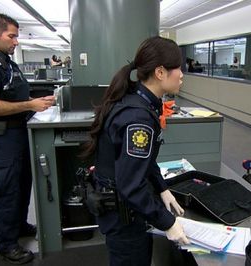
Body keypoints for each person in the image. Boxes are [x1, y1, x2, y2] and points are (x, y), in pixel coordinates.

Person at [81, 36, 189, 266]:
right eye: (178, 68)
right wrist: (167, 222)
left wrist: (162, 188)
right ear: (160, 72)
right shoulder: (138, 118)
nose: (181, 74)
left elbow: (145, 159)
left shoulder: (139, 100)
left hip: (124, 210)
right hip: (124, 217)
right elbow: (130, 185)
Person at [0, 13, 55, 264]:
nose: (16, 41)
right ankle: (5, 244)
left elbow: (14, 94)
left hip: (17, 135)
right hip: (0, 140)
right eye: (12, 36)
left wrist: (40, 101)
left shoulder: (7, 63)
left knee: (21, 184)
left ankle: (17, 225)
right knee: (4, 189)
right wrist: (30, 104)